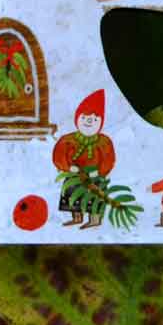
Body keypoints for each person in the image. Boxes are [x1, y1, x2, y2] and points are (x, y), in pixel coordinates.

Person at [51, 89, 116, 229]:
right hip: (75, 174)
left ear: (100, 122)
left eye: (94, 119)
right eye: (84, 117)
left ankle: (95, 219)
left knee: (95, 196)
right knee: (72, 194)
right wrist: (68, 167)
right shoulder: (68, 140)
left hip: (95, 175)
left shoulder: (104, 142)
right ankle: (76, 217)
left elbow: (108, 159)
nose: (88, 121)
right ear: (77, 119)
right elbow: (59, 154)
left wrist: (100, 172)